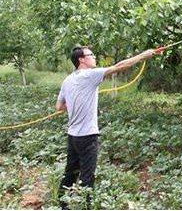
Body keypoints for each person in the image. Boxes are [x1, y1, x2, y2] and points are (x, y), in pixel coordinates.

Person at [56, 46, 155, 208]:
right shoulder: (89, 75)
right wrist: (144, 55)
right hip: (87, 137)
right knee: (87, 177)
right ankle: (86, 207)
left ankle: (61, 205)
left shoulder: (67, 80)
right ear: (81, 60)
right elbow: (120, 66)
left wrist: (76, 102)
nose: (94, 57)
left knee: (70, 174)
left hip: (72, 136)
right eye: (91, 55)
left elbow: (59, 106)